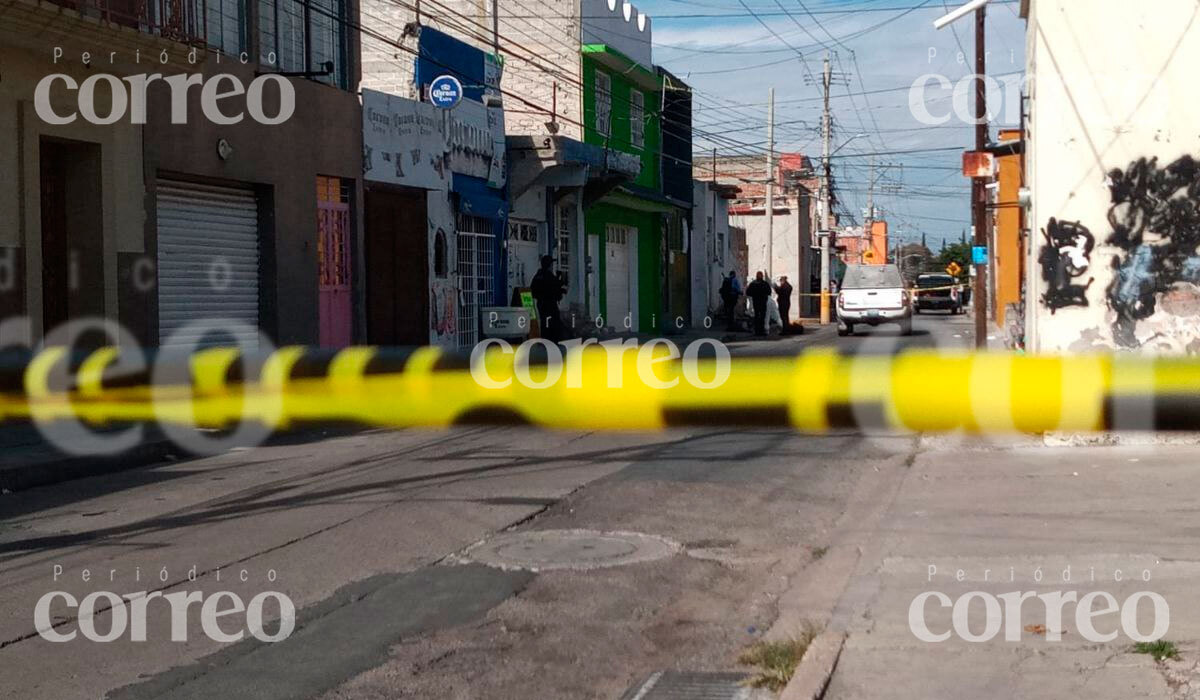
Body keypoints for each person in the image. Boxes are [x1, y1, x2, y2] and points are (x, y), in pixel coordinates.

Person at [530, 255, 567, 341]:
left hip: (541, 303)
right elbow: (555, 288)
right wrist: (561, 287)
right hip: (549, 303)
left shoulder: (538, 275)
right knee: (554, 322)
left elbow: (532, 289)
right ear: (549, 265)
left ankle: (545, 339)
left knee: (544, 322)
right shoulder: (548, 276)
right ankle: (552, 340)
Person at [746, 271, 773, 336]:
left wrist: (754, 295)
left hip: (756, 302)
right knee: (762, 316)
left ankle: (757, 331)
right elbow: (769, 292)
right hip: (763, 302)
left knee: (757, 316)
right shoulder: (765, 284)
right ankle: (761, 331)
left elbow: (748, 292)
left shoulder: (753, 284)